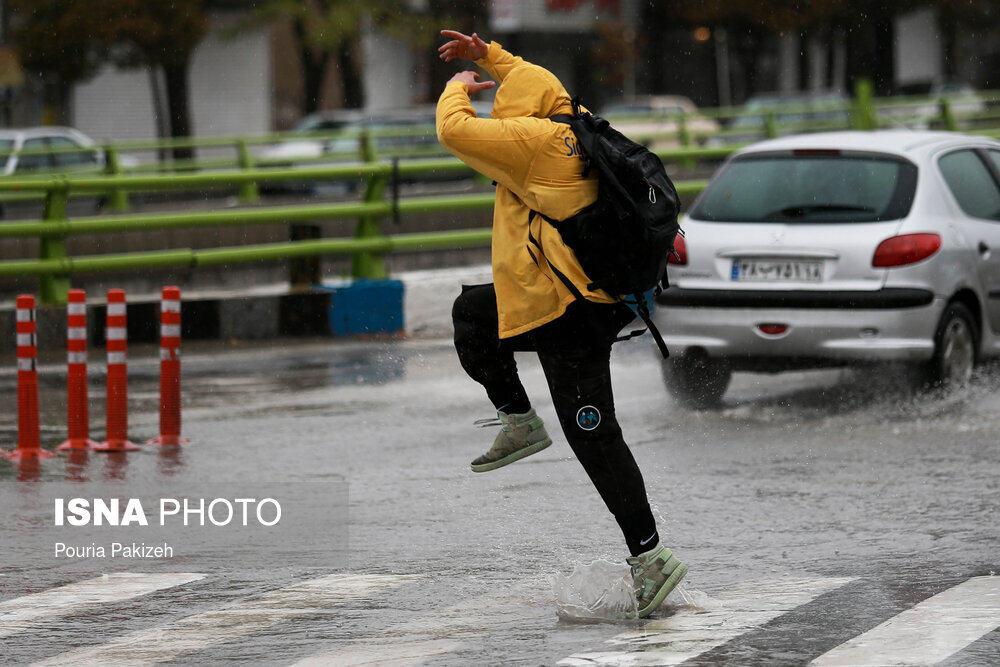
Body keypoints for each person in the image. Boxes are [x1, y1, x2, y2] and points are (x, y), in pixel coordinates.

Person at [436, 29, 687, 618]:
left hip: (568, 312)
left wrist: (454, 89)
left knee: (595, 437)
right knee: (473, 314)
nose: (500, 122)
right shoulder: (574, 119)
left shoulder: (535, 140)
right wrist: (489, 56)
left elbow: (454, 130)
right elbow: (529, 74)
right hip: (564, 294)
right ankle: (520, 418)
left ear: (521, 117)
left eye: (505, 113)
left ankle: (650, 558)